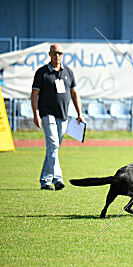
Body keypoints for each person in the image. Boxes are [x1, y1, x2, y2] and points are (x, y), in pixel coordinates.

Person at [31, 43, 84, 190]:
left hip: (63, 115)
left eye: (60, 53)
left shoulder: (68, 71)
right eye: (54, 53)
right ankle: (57, 179)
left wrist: (79, 113)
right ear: (49, 54)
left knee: (53, 149)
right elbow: (34, 94)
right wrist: (36, 113)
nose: (57, 56)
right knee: (53, 145)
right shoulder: (42, 72)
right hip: (47, 114)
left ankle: (45, 180)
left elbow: (74, 93)